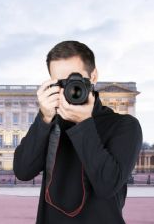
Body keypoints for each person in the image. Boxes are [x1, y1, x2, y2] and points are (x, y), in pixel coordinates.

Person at [13, 40, 142, 223]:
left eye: (76, 80)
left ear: (94, 76)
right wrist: (43, 118)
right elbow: (23, 171)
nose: (69, 89)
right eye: (61, 82)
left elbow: (107, 185)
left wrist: (83, 124)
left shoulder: (124, 126)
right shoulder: (50, 123)